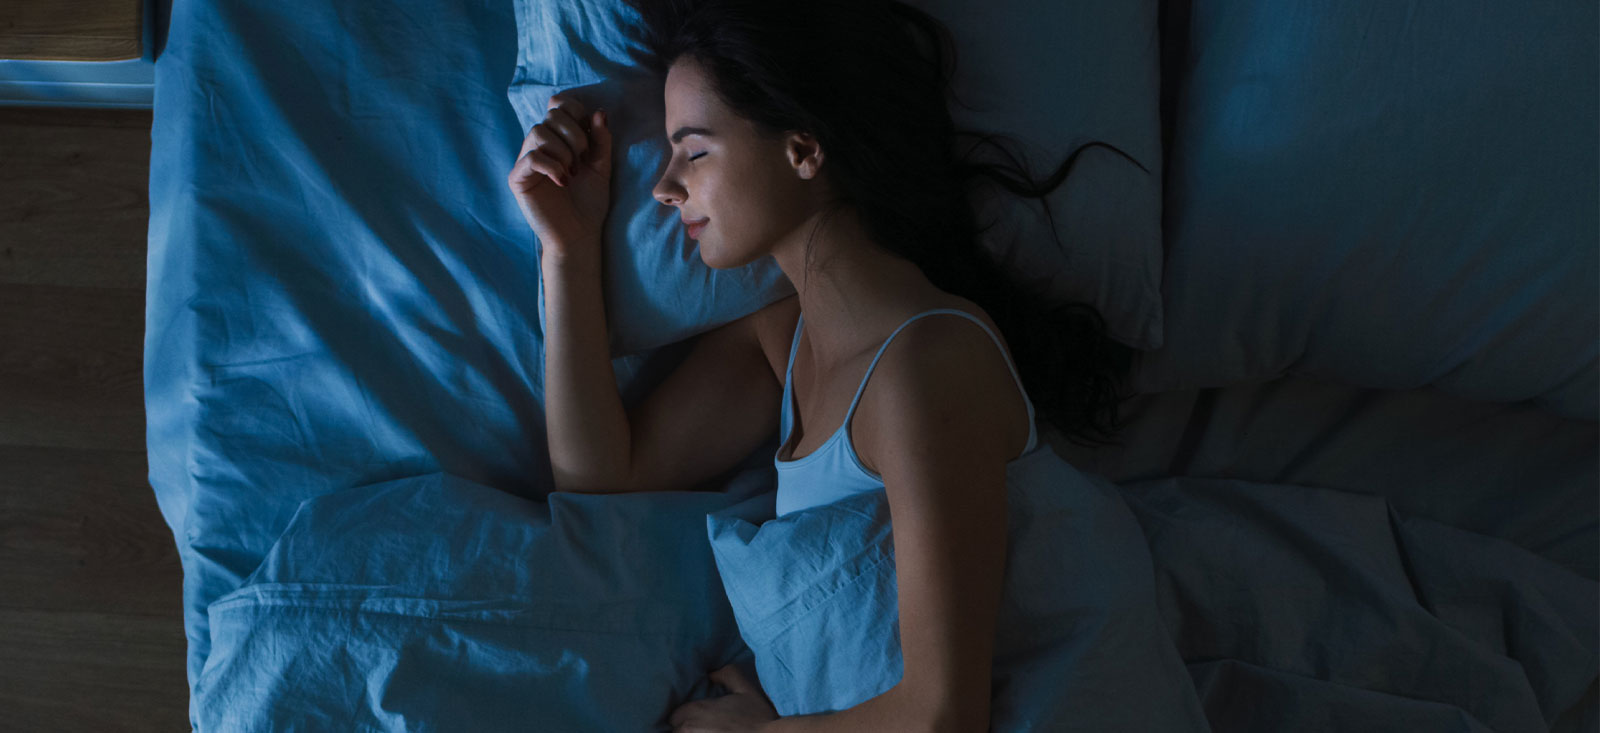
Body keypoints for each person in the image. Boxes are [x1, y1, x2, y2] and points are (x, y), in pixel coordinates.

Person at [505, 1, 1142, 729]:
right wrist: (568, 247)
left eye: (696, 150)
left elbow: (945, 714)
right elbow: (599, 474)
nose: (664, 185)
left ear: (803, 150)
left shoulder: (927, 365)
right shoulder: (784, 340)